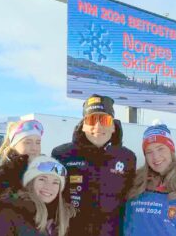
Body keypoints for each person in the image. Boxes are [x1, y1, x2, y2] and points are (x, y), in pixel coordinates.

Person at [52, 94, 136, 236]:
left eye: (104, 119)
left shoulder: (127, 158)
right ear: (83, 125)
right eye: (91, 119)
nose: (98, 126)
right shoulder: (62, 155)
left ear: (113, 126)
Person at [123, 123, 176, 236]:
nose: (156, 156)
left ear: (171, 151)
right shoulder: (133, 185)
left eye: (160, 149)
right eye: (149, 152)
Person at [0, 155, 75, 236]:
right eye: (42, 179)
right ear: (31, 183)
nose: (48, 186)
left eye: (55, 182)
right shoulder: (10, 213)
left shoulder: (64, 217)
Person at [0, 119, 43, 201]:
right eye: (27, 142)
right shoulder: (2, 174)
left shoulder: (43, 169)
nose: (34, 148)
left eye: (38, 142)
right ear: (13, 145)